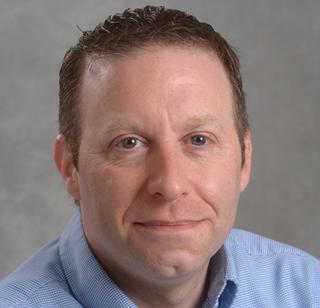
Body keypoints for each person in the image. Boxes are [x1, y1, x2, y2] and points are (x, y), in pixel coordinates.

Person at [0, 5, 319, 308]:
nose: (170, 183)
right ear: (70, 167)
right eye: (128, 143)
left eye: (198, 139)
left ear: (244, 160)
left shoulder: (306, 290)